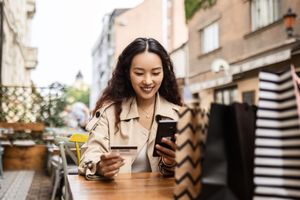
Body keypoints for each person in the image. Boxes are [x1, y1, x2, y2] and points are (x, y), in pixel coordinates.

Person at [79, 37, 182, 179]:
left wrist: (172, 163)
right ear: (127, 73)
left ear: (164, 73)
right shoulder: (109, 113)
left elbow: (193, 168)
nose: (147, 81)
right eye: (139, 73)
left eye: (156, 73)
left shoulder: (178, 115)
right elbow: (91, 154)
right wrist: (100, 167)